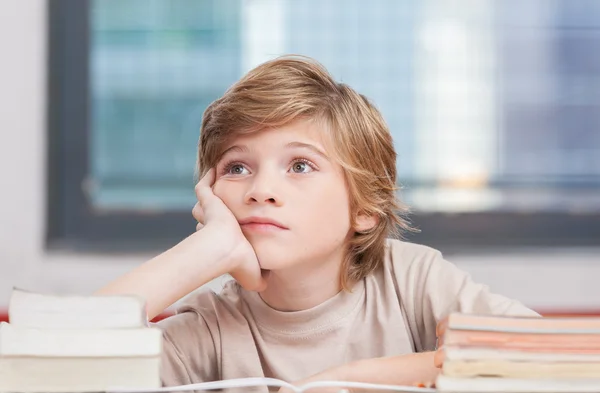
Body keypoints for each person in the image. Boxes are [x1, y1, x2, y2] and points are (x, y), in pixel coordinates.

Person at [97, 55, 539, 388]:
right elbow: (46, 366)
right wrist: (207, 250)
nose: (260, 190)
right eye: (236, 168)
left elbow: (546, 358)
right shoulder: (211, 327)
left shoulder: (411, 281)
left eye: (300, 166)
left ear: (364, 208)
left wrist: (347, 380)